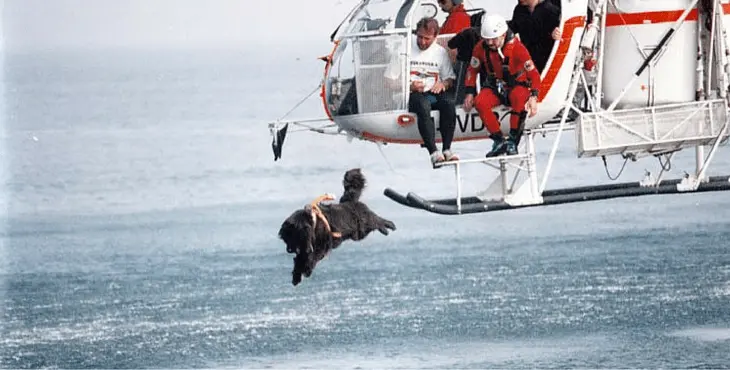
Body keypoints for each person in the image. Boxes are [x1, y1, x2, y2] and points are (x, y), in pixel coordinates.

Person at [462, 14, 541, 157]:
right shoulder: (480, 48)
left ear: (503, 35)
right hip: (495, 86)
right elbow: (472, 70)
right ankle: (498, 140)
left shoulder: (518, 49)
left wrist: (534, 96)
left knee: (518, 97)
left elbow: (534, 75)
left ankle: (513, 140)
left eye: (493, 39)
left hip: (516, 86)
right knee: (480, 102)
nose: (490, 43)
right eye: (487, 40)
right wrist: (469, 92)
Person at [384, 17, 459, 167]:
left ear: (435, 37)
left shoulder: (440, 52)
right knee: (422, 105)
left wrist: (443, 84)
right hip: (409, 94)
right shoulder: (404, 48)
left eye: (427, 39)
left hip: (431, 91)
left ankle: (447, 149)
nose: (422, 42)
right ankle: (433, 152)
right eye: (419, 37)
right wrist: (409, 87)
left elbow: (450, 79)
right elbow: (388, 81)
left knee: (449, 103)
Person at [508, 0, 561, 74]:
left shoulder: (550, 10)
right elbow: (513, 27)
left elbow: (560, 31)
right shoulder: (519, 10)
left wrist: (556, 34)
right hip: (528, 60)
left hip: (546, 61)